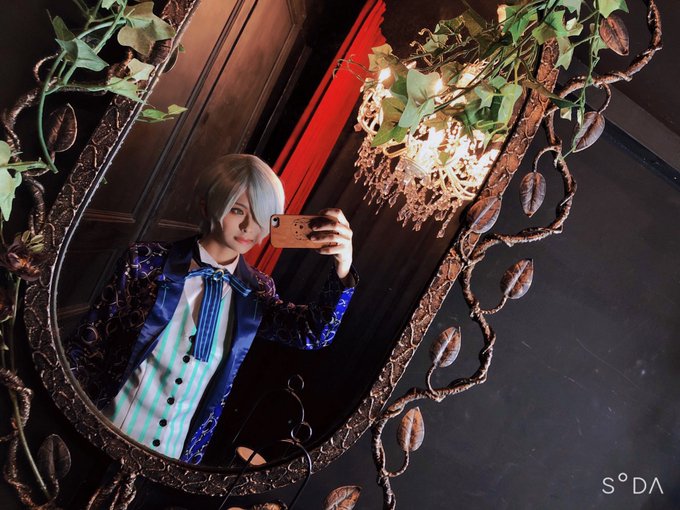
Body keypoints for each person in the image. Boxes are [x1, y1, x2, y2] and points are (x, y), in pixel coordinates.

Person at [66, 154, 357, 464]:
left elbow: (313, 334)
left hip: (174, 459)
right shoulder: (146, 262)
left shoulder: (257, 291)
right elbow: (86, 347)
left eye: (261, 215)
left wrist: (343, 268)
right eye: (237, 210)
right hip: (103, 435)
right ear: (207, 206)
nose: (248, 226)